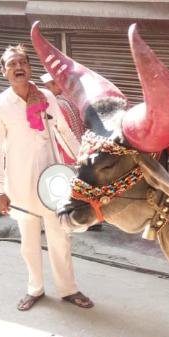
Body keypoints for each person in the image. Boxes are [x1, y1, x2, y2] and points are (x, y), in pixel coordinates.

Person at [0, 45, 94, 311]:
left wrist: (83, 164)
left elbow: (64, 132)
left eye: (23, 62)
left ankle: (68, 289)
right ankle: (35, 289)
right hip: (19, 183)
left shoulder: (45, 96)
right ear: (3, 71)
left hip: (52, 180)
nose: (18, 67)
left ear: (30, 67)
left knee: (60, 237)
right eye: (12, 64)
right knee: (29, 241)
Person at [40, 72, 102, 232]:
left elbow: (61, 134)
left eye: (48, 86)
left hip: (69, 153)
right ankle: (95, 221)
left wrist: (73, 157)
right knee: (86, 187)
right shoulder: (73, 101)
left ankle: (76, 221)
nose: (47, 90)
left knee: (69, 191)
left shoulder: (58, 105)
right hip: (83, 147)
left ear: (56, 85)